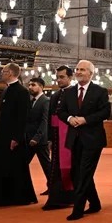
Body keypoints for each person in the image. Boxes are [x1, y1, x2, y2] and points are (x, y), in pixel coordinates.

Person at [57, 60, 111, 221]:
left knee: (84, 173)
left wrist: (85, 120)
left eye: (82, 70)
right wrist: (69, 118)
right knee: (76, 173)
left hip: (93, 140)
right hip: (74, 138)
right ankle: (95, 203)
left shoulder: (100, 91)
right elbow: (60, 111)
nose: (79, 72)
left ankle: (78, 208)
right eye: (77, 69)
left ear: (91, 73)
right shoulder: (69, 92)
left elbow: (105, 112)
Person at [0, 63, 37, 206]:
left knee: (14, 168)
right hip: (2, 135)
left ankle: (16, 197)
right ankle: (0, 196)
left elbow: (22, 117)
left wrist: (16, 138)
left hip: (13, 137)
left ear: (11, 73)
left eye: (4, 71)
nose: (1, 73)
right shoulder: (6, 90)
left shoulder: (22, 92)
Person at [43, 65, 75, 210]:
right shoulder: (55, 96)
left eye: (62, 77)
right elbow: (50, 118)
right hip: (56, 137)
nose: (59, 80)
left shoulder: (74, 94)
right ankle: (56, 197)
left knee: (69, 167)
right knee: (56, 166)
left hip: (69, 137)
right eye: (57, 77)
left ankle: (70, 197)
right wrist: (49, 138)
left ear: (70, 77)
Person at [25, 76, 51, 194]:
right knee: (22, 163)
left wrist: (37, 137)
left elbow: (44, 121)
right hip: (28, 139)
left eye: (33, 85)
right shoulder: (31, 101)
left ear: (41, 87)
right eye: (29, 85)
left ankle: (53, 188)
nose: (30, 87)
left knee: (46, 165)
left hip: (40, 140)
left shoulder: (45, 101)